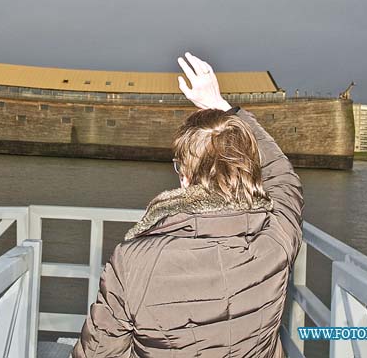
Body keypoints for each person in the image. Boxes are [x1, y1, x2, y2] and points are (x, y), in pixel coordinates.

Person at [72, 52, 304, 358]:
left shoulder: (133, 262)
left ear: (184, 176)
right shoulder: (274, 239)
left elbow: (99, 353)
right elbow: (284, 178)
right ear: (246, 167)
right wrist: (223, 106)